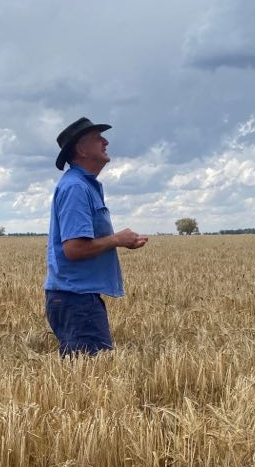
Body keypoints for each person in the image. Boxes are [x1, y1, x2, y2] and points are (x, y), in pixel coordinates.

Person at [44, 117, 148, 357]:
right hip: (76, 301)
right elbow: (74, 249)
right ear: (81, 149)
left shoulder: (84, 186)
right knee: (92, 381)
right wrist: (117, 239)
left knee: (88, 380)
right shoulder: (76, 188)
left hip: (78, 298)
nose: (106, 141)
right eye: (97, 138)